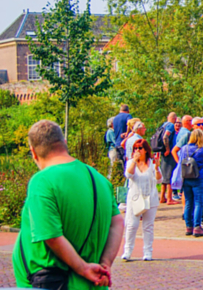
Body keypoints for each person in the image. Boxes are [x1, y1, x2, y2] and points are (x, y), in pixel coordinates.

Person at [13, 120, 124, 290]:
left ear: (33, 152)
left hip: (56, 284)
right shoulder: (99, 179)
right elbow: (117, 222)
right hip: (92, 284)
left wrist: (83, 268)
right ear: (64, 144)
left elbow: (51, 234)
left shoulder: (42, 181)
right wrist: (105, 262)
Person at [122, 139, 162, 261]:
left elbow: (159, 180)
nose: (137, 150)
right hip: (135, 198)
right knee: (131, 225)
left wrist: (156, 168)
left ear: (145, 150)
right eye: (135, 148)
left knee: (148, 226)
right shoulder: (130, 162)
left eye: (140, 148)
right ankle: (127, 251)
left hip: (150, 198)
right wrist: (134, 160)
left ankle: (148, 252)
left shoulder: (151, 163)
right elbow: (128, 175)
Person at [159, 112, 179, 205]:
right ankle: (169, 198)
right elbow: (165, 137)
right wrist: (168, 149)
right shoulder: (170, 125)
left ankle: (162, 197)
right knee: (170, 175)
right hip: (169, 152)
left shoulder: (164, 124)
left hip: (162, 152)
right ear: (175, 119)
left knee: (164, 175)